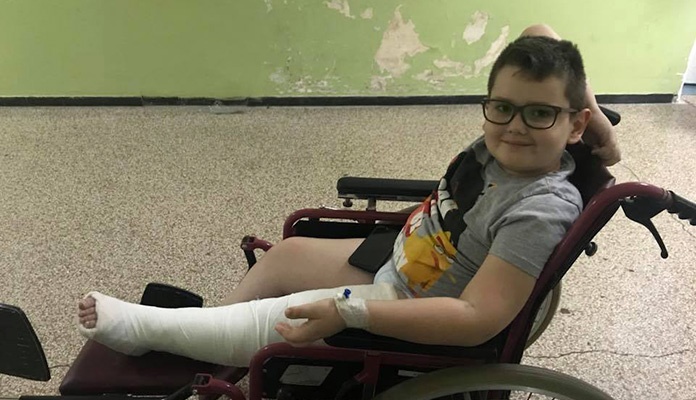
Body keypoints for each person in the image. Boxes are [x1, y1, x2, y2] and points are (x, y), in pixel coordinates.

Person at [77, 24, 620, 367]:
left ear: (571, 125)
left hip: (414, 306)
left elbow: (478, 316)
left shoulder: (538, 209)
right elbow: (539, 32)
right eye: (502, 107)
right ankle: (209, 342)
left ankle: (167, 333)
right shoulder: (516, 143)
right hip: (401, 262)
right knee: (286, 255)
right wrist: (602, 131)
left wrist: (352, 313)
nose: (515, 126)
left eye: (540, 113)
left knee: (277, 324)